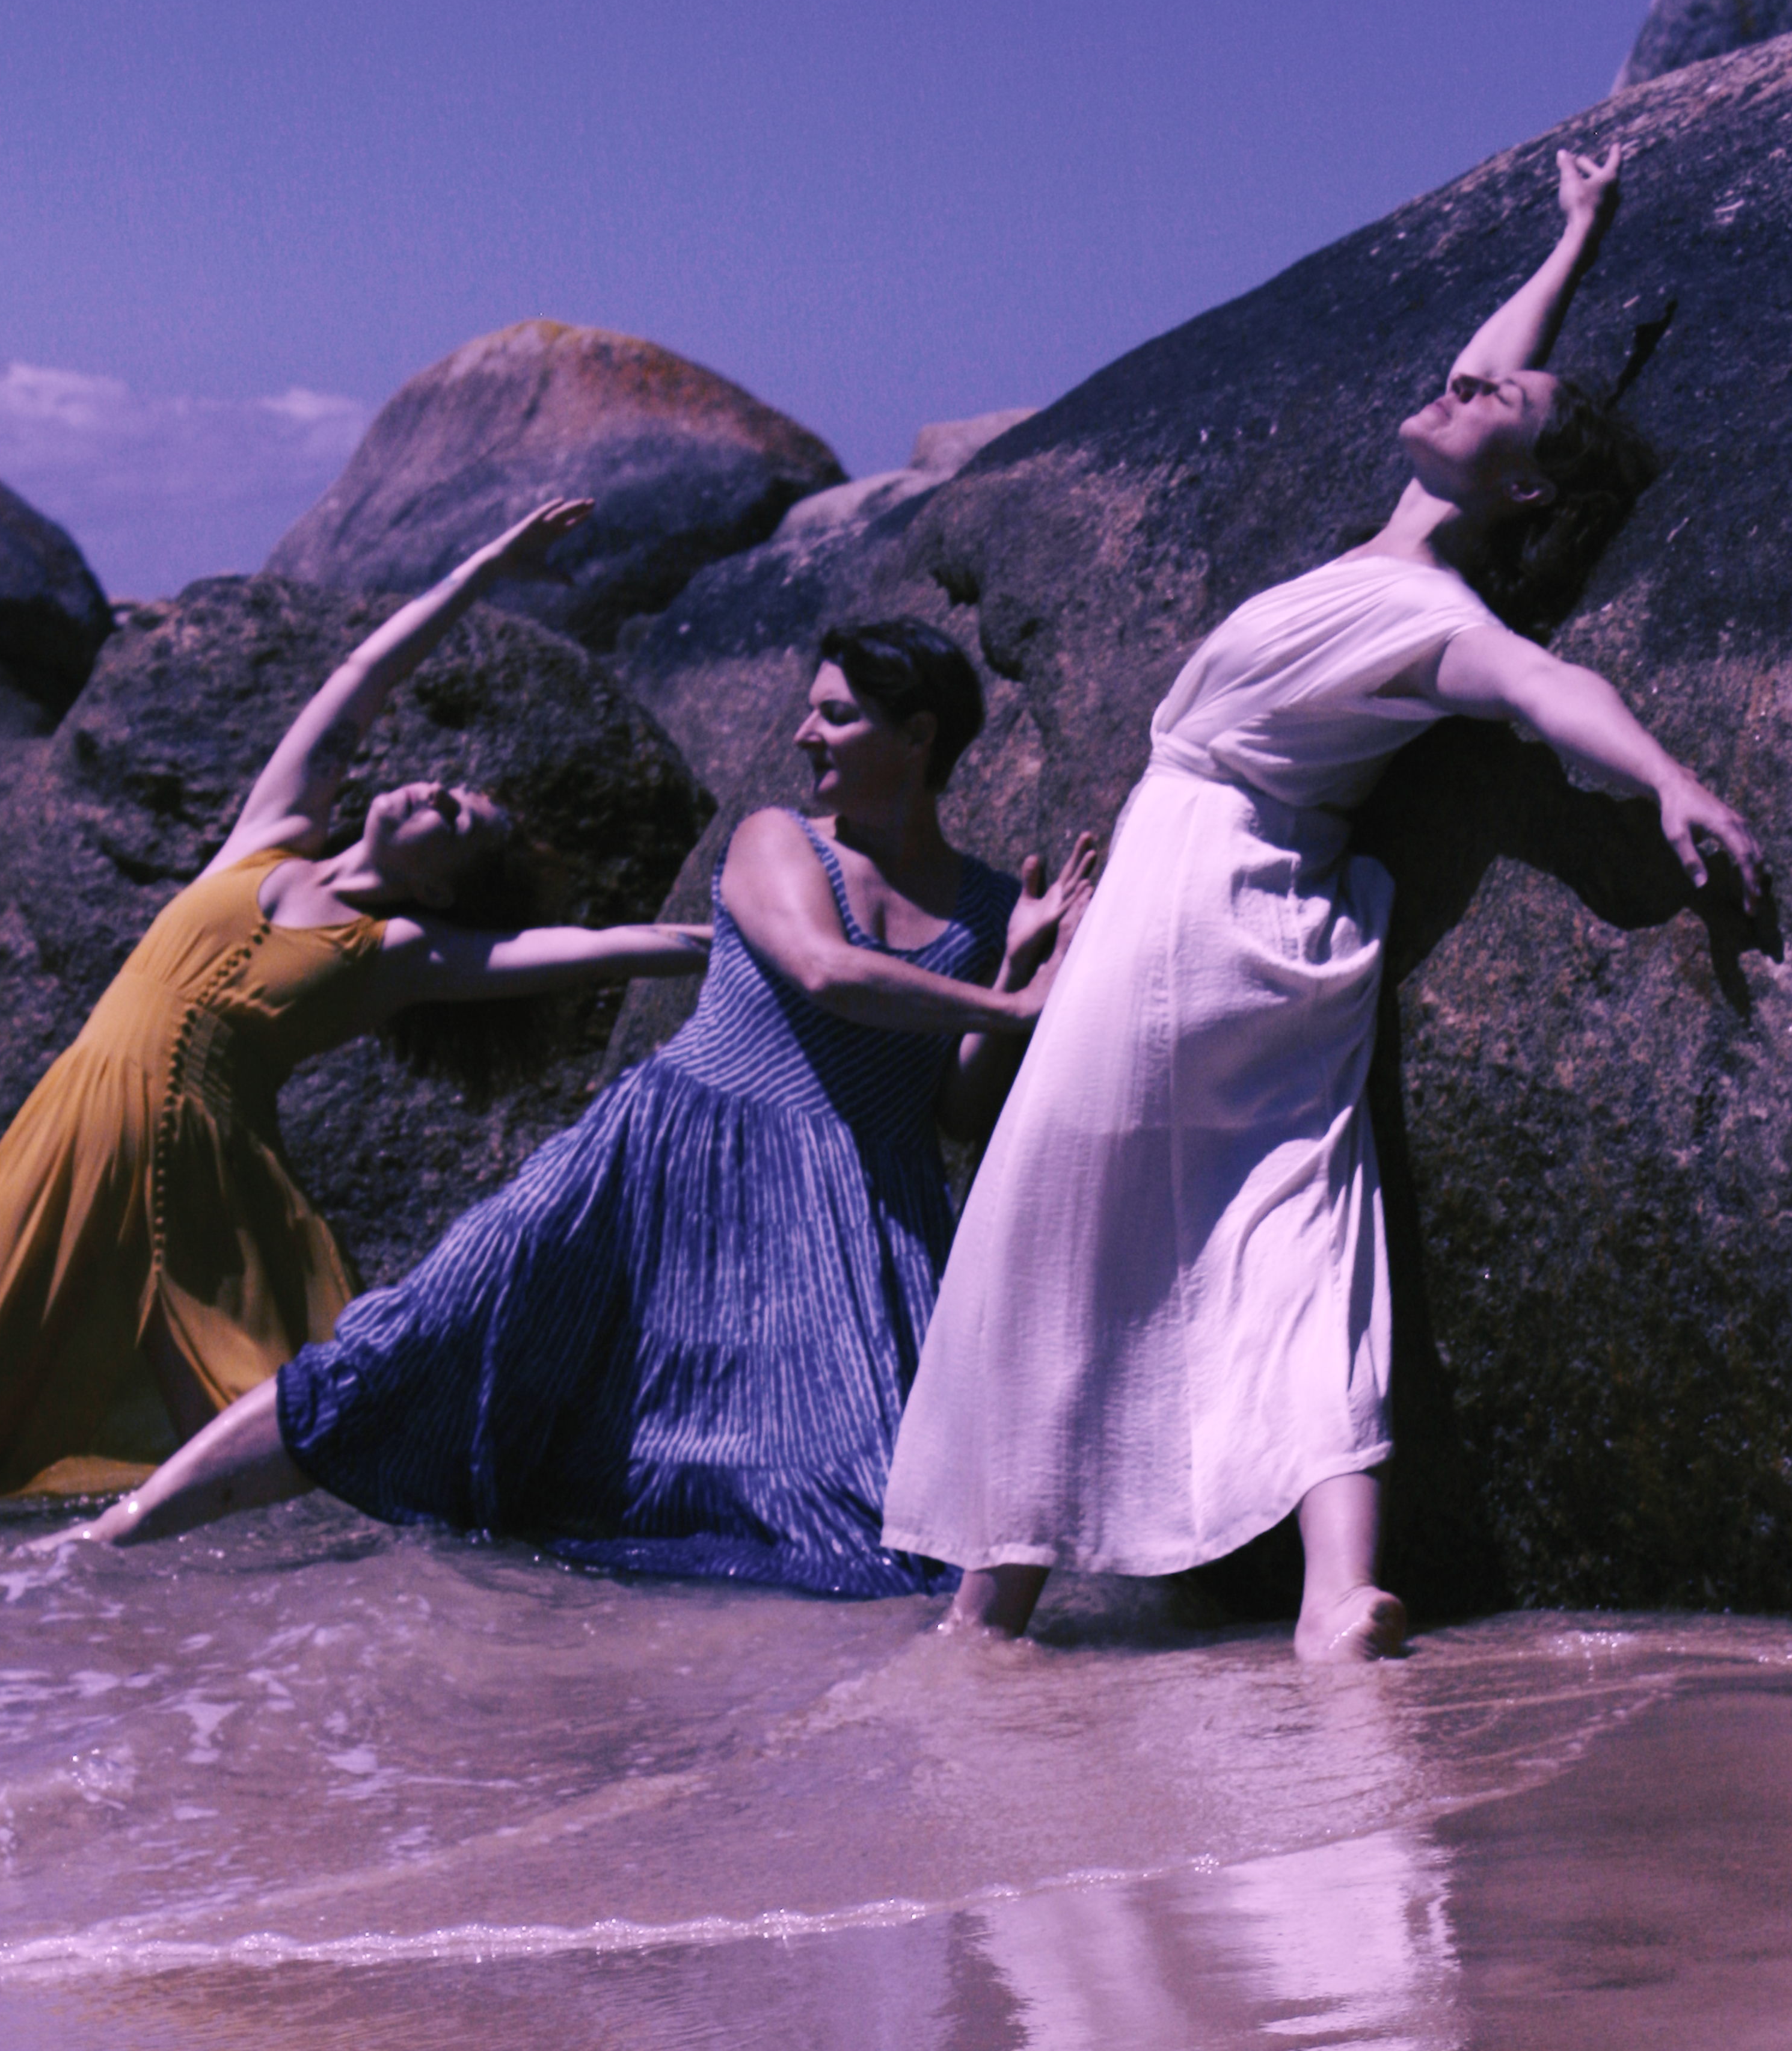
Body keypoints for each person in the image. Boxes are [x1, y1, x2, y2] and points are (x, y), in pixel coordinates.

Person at [882, 144, 1764, 1658]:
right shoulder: (1400, 552)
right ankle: (1332, 1592)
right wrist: (1577, 234)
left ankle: (994, 1603)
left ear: (1524, 486)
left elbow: (1550, 692)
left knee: (1063, 1208)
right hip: (1241, 901)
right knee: (1290, 1208)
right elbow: (1492, 368)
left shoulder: (1434, 613)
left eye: (1499, 404)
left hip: (1202, 899)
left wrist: (1672, 779)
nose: (1465, 384)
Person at [87, 618, 1097, 1586]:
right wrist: (1014, 1005)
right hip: (661, 1160)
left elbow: (954, 1114)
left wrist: (1015, 968)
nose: (803, 734)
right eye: (809, 710)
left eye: (835, 715)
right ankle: (112, 1537)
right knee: (413, 1342)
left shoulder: (986, 906)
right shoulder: (776, 840)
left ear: (917, 735)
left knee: (864, 1513)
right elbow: (823, 970)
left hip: (851, 1212)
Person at [0, 502, 710, 1501]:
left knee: (250, 1433)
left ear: (442, 887)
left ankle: (237, 1591)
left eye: (459, 819)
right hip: (73, 1127)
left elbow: (588, 951)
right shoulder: (269, 835)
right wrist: (486, 567)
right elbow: (362, 679)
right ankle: (2, 1585)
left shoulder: (399, 953)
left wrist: (753, 931)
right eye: (452, 786)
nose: (436, 791)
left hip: (209, 1177)